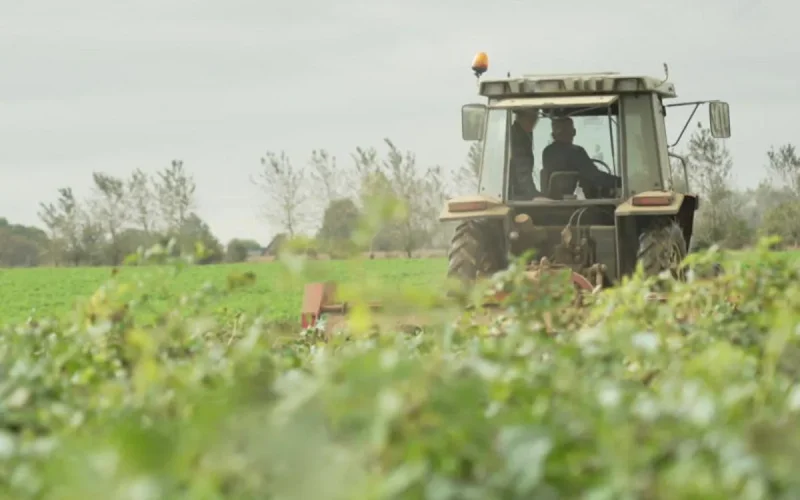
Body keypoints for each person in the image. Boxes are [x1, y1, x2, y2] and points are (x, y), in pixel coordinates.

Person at [541, 117, 621, 198]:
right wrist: (619, 182)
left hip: (552, 199)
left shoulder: (547, 152)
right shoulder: (576, 152)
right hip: (574, 200)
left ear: (553, 135)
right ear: (574, 132)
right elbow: (595, 176)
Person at [508, 109, 544, 200]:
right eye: (532, 118)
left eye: (536, 117)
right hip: (516, 197)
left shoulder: (523, 133)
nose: (535, 121)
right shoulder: (517, 138)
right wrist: (533, 195)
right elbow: (522, 170)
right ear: (522, 116)